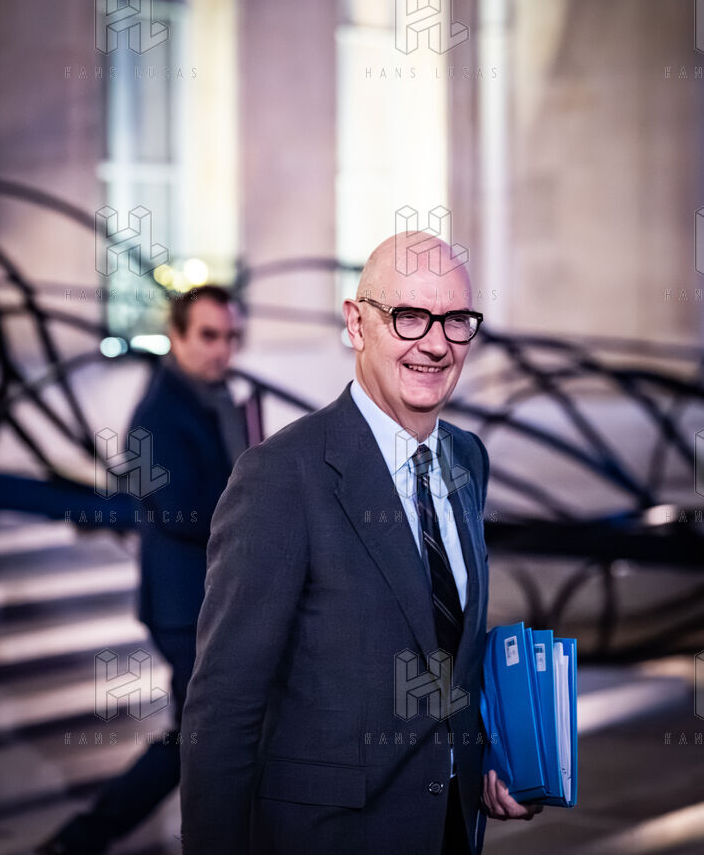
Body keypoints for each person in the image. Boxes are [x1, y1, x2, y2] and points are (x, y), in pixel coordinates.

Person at [179, 235, 541, 855]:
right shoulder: (282, 476)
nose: (436, 343)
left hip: (450, 831)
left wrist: (489, 759)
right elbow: (224, 707)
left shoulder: (466, 459)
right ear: (356, 323)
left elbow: (445, 649)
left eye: (455, 320)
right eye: (409, 316)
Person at [38, 285, 254, 855]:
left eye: (231, 337)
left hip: (215, 597)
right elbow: (181, 511)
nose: (222, 349)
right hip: (184, 606)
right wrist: (259, 510)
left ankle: (85, 838)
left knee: (204, 734)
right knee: (196, 737)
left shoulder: (214, 399)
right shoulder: (155, 416)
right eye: (208, 335)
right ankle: (85, 838)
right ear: (176, 337)